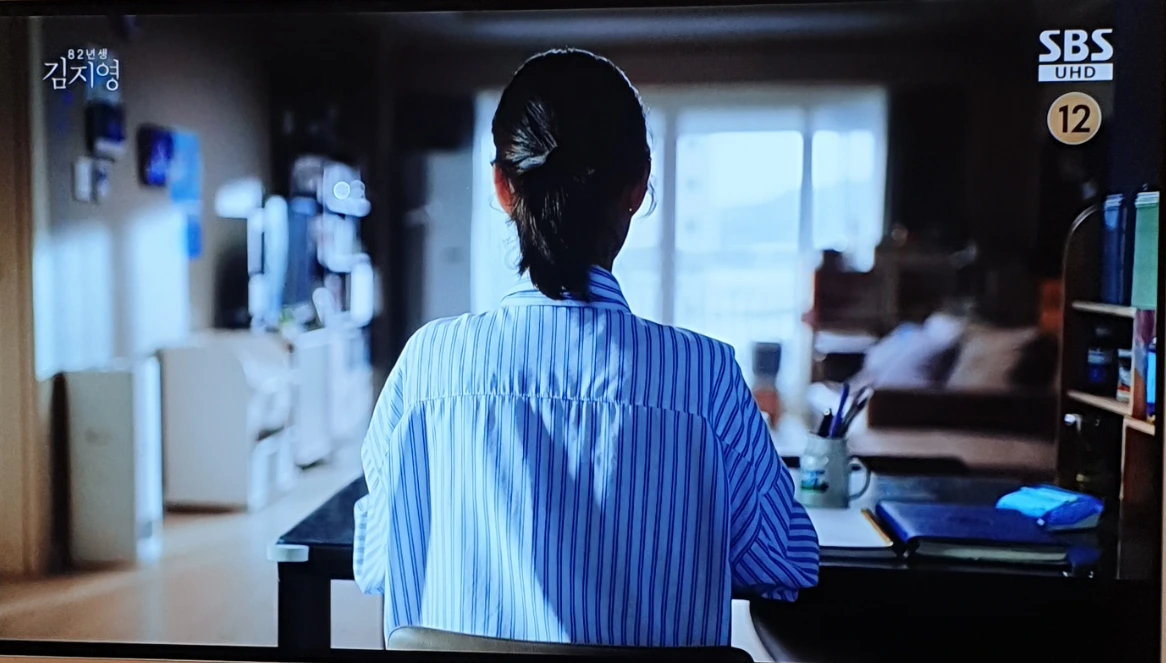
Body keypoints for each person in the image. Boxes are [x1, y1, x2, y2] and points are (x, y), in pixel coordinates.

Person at [353, 48, 819, 648]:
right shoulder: (704, 377)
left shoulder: (427, 366)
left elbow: (378, 561)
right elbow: (782, 563)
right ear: (637, 187)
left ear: (502, 186)